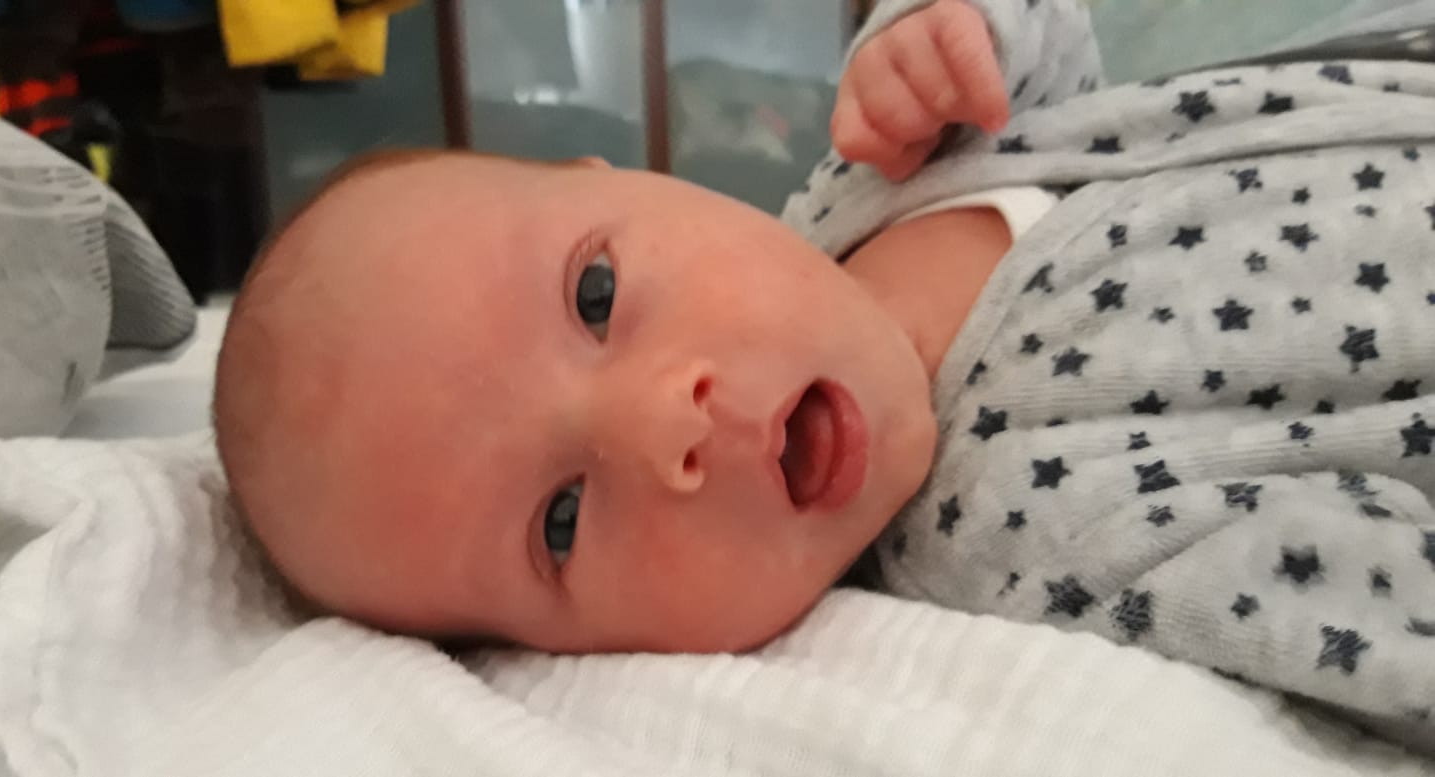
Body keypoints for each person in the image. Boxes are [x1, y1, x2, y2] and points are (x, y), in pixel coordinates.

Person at [215, 0, 1435, 753]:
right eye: (563, 521)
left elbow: (1062, 62)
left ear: (624, 178)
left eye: (596, 297)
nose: (665, 424)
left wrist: (951, 30)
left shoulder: (871, 175)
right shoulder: (1041, 552)